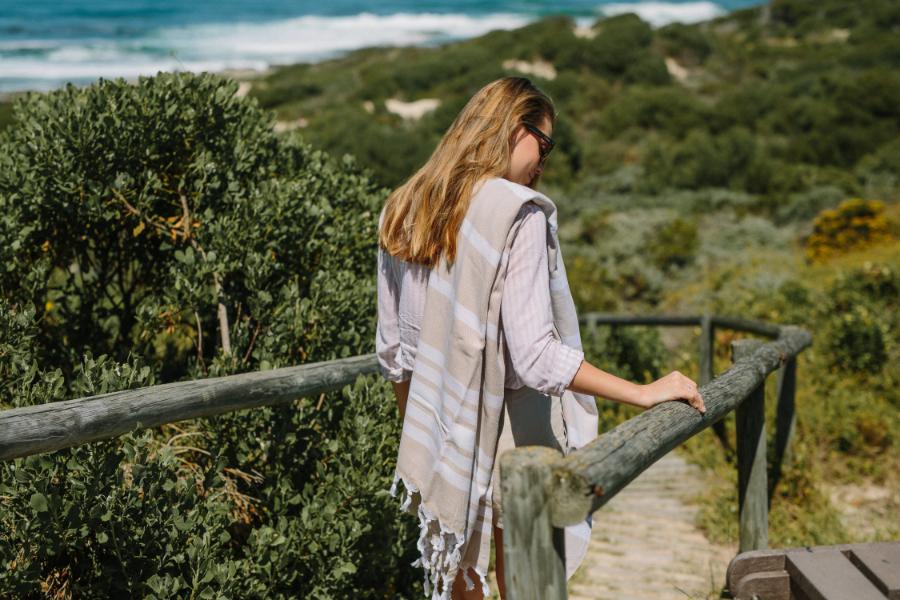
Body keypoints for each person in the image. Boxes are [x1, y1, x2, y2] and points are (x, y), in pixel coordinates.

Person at [376, 77, 705, 600]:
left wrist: (426, 431)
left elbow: (396, 353)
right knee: (521, 582)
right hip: (511, 432)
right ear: (511, 128)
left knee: (461, 582)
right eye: (543, 144)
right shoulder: (516, 212)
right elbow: (534, 356)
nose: (545, 161)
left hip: (437, 427)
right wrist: (643, 392)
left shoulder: (404, 207)